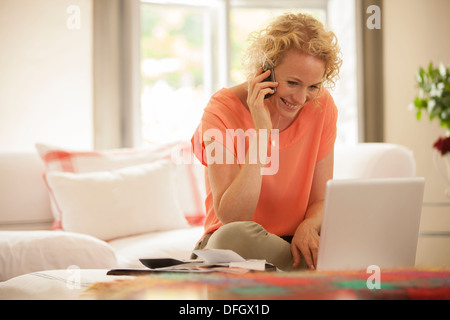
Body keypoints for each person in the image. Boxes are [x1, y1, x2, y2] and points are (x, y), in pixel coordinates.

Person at [191, 12, 342, 271]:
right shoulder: (221, 111)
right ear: (266, 71)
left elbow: (320, 200)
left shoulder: (322, 106)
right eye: (293, 83)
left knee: (344, 231)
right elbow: (233, 217)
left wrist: (308, 226)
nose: (301, 98)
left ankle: (298, 274)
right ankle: (314, 275)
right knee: (233, 237)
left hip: (290, 245)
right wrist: (262, 131)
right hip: (233, 247)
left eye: (313, 86)